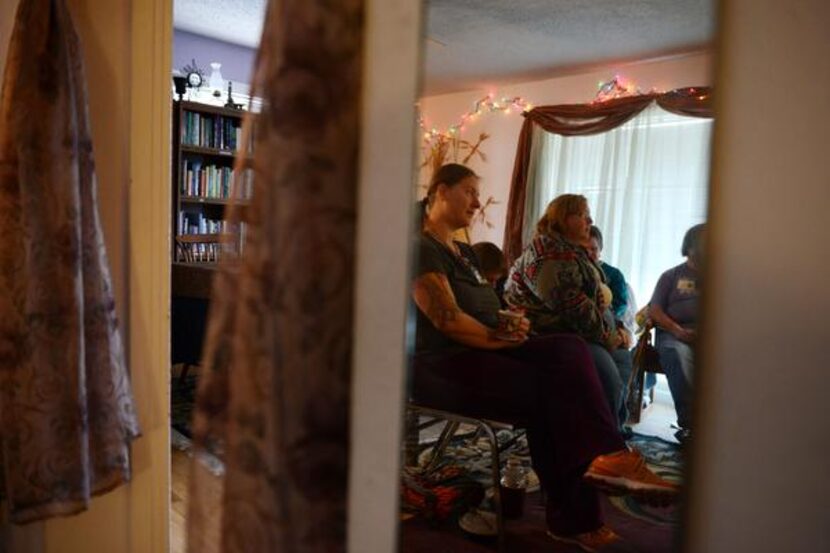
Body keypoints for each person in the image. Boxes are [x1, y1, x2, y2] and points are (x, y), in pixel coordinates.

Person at [412, 164, 676, 551]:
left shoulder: (464, 252)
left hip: (483, 349)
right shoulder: (420, 246)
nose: (476, 200)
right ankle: (579, 513)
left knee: (568, 347)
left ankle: (608, 460)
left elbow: (486, 308)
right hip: (442, 364)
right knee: (553, 395)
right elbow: (447, 320)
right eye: (468, 190)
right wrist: (501, 338)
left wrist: (511, 323)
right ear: (439, 191)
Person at [504, 196, 633, 427]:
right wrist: (608, 337)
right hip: (556, 337)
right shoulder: (549, 256)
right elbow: (576, 311)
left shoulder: (567, 250)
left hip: (582, 333)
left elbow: (595, 298)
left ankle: (612, 430)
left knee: (623, 360)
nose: (590, 220)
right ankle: (606, 444)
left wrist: (616, 328)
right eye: (584, 215)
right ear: (564, 219)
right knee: (608, 379)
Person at [649, 224, 705, 443]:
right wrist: (678, 331)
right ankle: (690, 425)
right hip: (674, 334)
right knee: (675, 353)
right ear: (690, 247)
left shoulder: (720, 277)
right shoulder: (670, 276)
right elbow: (654, 310)